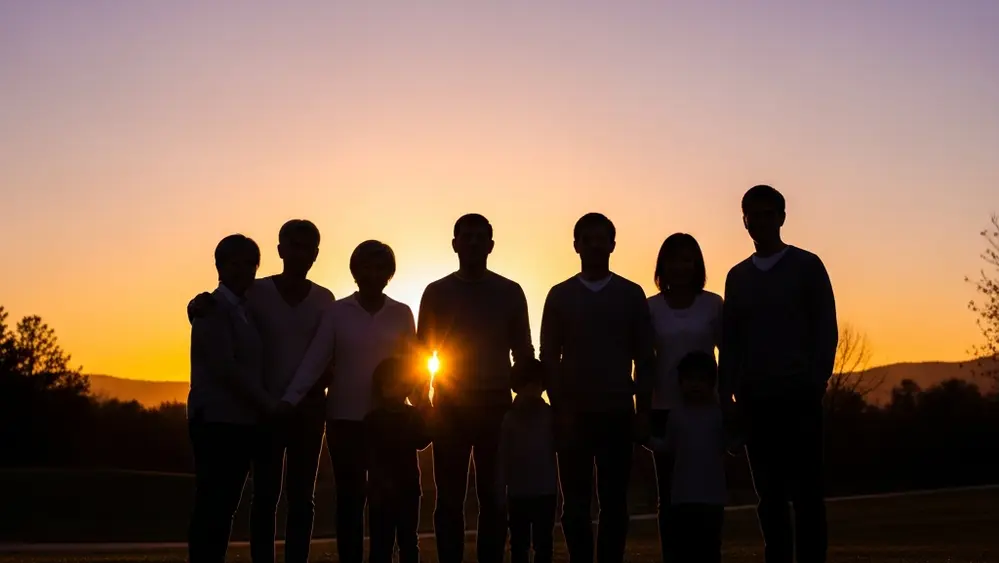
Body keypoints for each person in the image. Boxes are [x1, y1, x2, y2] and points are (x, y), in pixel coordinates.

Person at [187, 219, 336, 563]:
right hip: (262, 411)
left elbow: (332, 350)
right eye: (292, 245)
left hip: (307, 411)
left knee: (302, 498)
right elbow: (218, 314)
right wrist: (195, 305)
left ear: (315, 253)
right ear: (280, 250)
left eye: (306, 247)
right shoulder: (255, 293)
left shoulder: (325, 300)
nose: (298, 253)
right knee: (263, 496)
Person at [718, 185, 838, 563]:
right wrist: (728, 395)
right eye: (754, 215)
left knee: (807, 494)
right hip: (756, 400)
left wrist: (816, 379)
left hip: (799, 396)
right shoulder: (737, 277)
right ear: (745, 222)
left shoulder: (807, 266)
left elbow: (825, 328)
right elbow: (731, 341)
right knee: (768, 496)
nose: (762, 221)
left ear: (782, 217)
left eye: (769, 213)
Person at [416, 213, 535, 563]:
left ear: (491, 245)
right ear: (454, 244)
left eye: (478, 237)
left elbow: (523, 350)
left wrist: (527, 397)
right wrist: (423, 403)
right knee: (449, 499)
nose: (471, 243)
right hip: (449, 408)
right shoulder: (436, 292)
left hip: (497, 406)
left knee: (495, 497)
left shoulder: (510, 292)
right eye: (464, 237)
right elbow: (422, 350)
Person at [539, 212, 656, 563]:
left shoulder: (631, 293)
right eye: (586, 239)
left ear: (612, 244)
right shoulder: (559, 295)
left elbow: (644, 356)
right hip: (573, 415)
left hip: (617, 412)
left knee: (614, 503)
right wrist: (558, 406)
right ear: (576, 245)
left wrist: (643, 410)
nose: (593, 245)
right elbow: (548, 355)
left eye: (600, 238)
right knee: (574, 504)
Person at [318, 240, 417, 563]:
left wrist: (423, 406)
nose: (372, 275)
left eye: (379, 268)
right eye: (365, 267)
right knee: (349, 500)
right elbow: (316, 359)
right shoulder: (337, 311)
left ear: (389, 274)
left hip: (387, 423)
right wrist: (290, 398)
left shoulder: (401, 313)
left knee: (383, 501)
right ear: (355, 271)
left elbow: (412, 364)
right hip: (343, 419)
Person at [187, 234, 274, 563]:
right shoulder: (212, 308)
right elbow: (226, 368)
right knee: (212, 506)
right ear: (219, 266)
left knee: (224, 508)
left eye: (249, 264)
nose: (242, 270)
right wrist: (267, 404)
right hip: (216, 422)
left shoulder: (246, 310)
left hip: (240, 423)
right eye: (233, 263)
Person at [646, 233, 723, 562]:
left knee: (706, 491)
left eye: (688, 259)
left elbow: (729, 353)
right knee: (669, 496)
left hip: (707, 411)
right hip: (664, 408)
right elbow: (643, 361)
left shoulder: (713, 304)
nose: (680, 267)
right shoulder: (650, 307)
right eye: (673, 259)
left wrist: (729, 399)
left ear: (698, 265)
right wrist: (640, 409)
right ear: (662, 265)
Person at [648, 351, 730, 563]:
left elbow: (729, 446)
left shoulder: (718, 416)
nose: (695, 385)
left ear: (712, 383)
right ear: (680, 383)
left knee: (710, 550)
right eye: (690, 379)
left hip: (712, 499)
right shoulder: (676, 415)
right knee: (684, 549)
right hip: (683, 498)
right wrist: (646, 440)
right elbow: (667, 446)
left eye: (701, 380)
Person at [364, 356, 433, 563]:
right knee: (381, 544)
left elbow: (424, 439)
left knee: (408, 542)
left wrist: (426, 407)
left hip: (407, 490)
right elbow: (368, 454)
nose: (394, 388)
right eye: (389, 383)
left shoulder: (411, 415)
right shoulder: (373, 419)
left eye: (398, 382)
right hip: (381, 492)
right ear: (380, 388)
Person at [495, 358, 558, 563]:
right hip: (519, 493)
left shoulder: (549, 416)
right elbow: (503, 457)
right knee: (520, 546)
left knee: (543, 545)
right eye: (528, 385)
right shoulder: (510, 420)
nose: (532, 391)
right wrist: (500, 489)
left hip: (543, 493)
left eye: (536, 385)